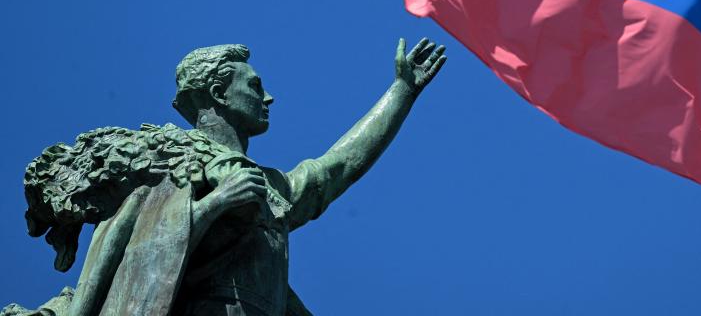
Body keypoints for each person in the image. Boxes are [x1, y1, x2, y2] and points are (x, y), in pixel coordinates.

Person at [9, 38, 446, 316]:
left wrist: (402, 92)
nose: (268, 96)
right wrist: (213, 205)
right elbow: (135, 250)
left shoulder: (271, 185)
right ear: (218, 92)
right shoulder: (171, 159)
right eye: (255, 86)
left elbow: (336, 168)